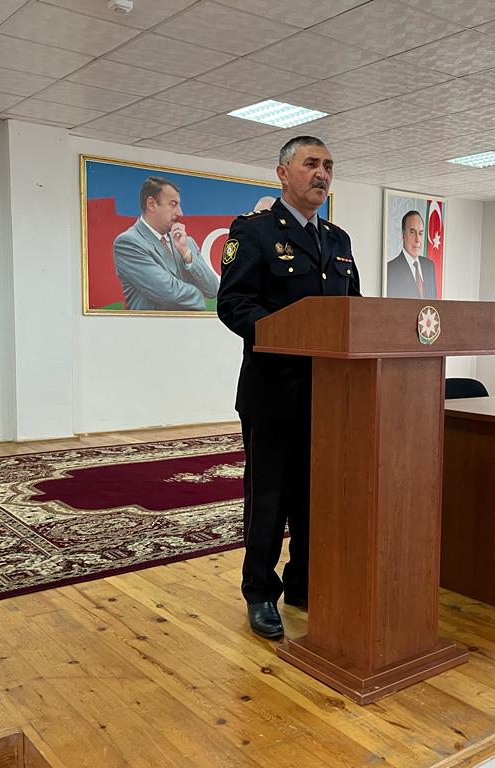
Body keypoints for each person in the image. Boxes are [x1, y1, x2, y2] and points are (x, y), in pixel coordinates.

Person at [217, 136, 361, 640]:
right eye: (311, 164)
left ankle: (304, 582)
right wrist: (286, 337)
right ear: (282, 173)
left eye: (328, 166)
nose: (322, 174)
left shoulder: (338, 240)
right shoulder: (254, 232)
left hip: (329, 396)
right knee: (269, 498)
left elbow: (354, 311)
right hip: (273, 392)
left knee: (315, 495)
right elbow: (234, 304)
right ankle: (260, 591)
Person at [113, 177, 219, 311]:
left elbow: (213, 289)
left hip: (192, 325)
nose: (180, 213)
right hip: (154, 325)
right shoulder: (128, 243)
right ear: (151, 204)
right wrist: (199, 294)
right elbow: (168, 293)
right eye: (173, 204)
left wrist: (186, 254)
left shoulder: (187, 243)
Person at [385, 210, 437, 299]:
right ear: (403, 235)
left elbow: (434, 303)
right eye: (412, 232)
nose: (417, 239)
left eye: (420, 233)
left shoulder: (429, 266)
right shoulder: (391, 269)